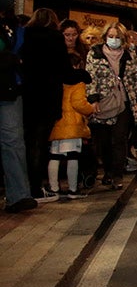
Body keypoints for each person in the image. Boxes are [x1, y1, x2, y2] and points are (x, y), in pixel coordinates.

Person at [19, 8, 71, 201]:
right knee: (40, 144)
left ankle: (23, 186)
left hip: (27, 95)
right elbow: (65, 70)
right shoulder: (55, 38)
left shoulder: (25, 35)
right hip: (48, 97)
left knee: (25, 142)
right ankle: (36, 187)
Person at [85, 22, 137, 190]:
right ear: (105, 37)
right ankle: (108, 171)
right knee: (103, 141)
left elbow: (136, 77)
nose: (114, 40)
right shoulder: (94, 54)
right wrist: (93, 99)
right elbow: (90, 77)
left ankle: (117, 174)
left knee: (120, 139)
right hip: (103, 101)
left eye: (117, 37)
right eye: (111, 36)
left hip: (125, 102)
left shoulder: (129, 54)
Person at [0, 0, 36, 214]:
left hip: (10, 88)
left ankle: (18, 194)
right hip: (9, 85)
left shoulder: (13, 26)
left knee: (13, 141)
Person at [47, 54, 96, 199]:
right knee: (72, 157)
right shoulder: (78, 82)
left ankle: (54, 188)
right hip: (73, 125)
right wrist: (90, 109)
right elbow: (78, 103)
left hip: (57, 124)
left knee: (54, 156)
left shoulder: (55, 80)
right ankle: (73, 189)